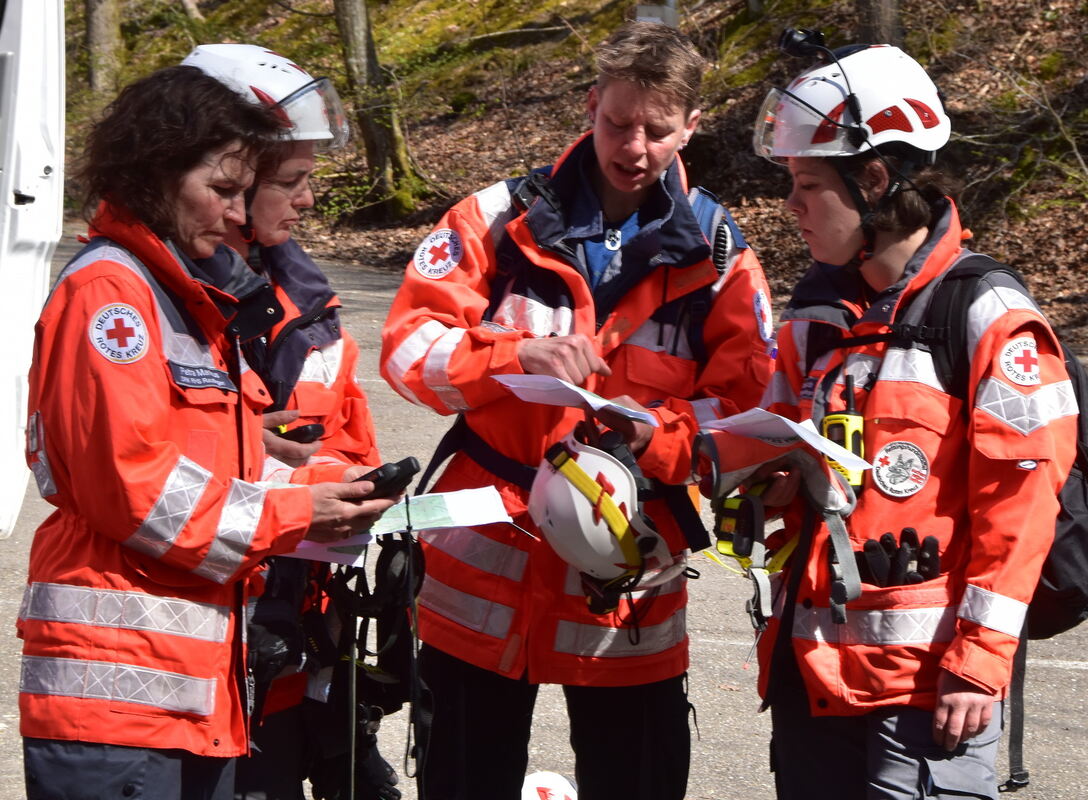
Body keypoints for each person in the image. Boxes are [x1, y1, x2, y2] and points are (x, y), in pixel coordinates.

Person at [381, 20, 776, 800]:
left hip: (625, 582)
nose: (633, 147)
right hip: (482, 574)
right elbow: (405, 348)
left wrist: (660, 438)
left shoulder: (721, 255)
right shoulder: (497, 219)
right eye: (617, 123)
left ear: (691, 127)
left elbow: (752, 416)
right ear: (591, 105)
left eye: (657, 132)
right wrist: (510, 358)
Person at [18, 65, 394, 800]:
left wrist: (325, 486)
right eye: (221, 191)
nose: (234, 214)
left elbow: (199, 465)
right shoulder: (114, 295)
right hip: (118, 708)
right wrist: (301, 511)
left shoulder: (180, 295)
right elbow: (139, 491)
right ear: (157, 175)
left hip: (176, 698)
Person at [746, 33, 1078, 798]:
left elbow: (1022, 508)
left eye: (805, 183)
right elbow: (772, 451)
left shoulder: (987, 319)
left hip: (930, 695)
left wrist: (979, 662)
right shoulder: (814, 318)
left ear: (872, 178)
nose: (789, 204)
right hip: (814, 680)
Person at [181, 43, 402, 800]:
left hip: (305, 636)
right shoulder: (165, 304)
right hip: (210, 649)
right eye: (293, 181)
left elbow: (348, 436)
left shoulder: (308, 300)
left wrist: (350, 488)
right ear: (230, 175)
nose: (308, 201)